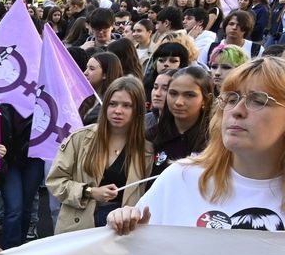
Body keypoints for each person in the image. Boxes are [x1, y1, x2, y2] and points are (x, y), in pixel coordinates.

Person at [110, 56, 285, 234]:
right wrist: (125, 227)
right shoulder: (181, 177)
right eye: (231, 99)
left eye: (258, 100)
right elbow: (133, 246)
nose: (236, 110)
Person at [48, 76, 152, 232]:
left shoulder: (146, 150)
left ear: (137, 110)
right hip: (79, 225)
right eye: (112, 104)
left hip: (121, 229)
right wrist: (90, 192)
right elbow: (55, 181)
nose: (118, 111)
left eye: (127, 105)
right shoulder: (80, 138)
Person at [148, 67, 212, 177]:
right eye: (173, 93)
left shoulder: (215, 141)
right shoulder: (151, 136)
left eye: (189, 95)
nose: (179, 102)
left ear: (206, 99)